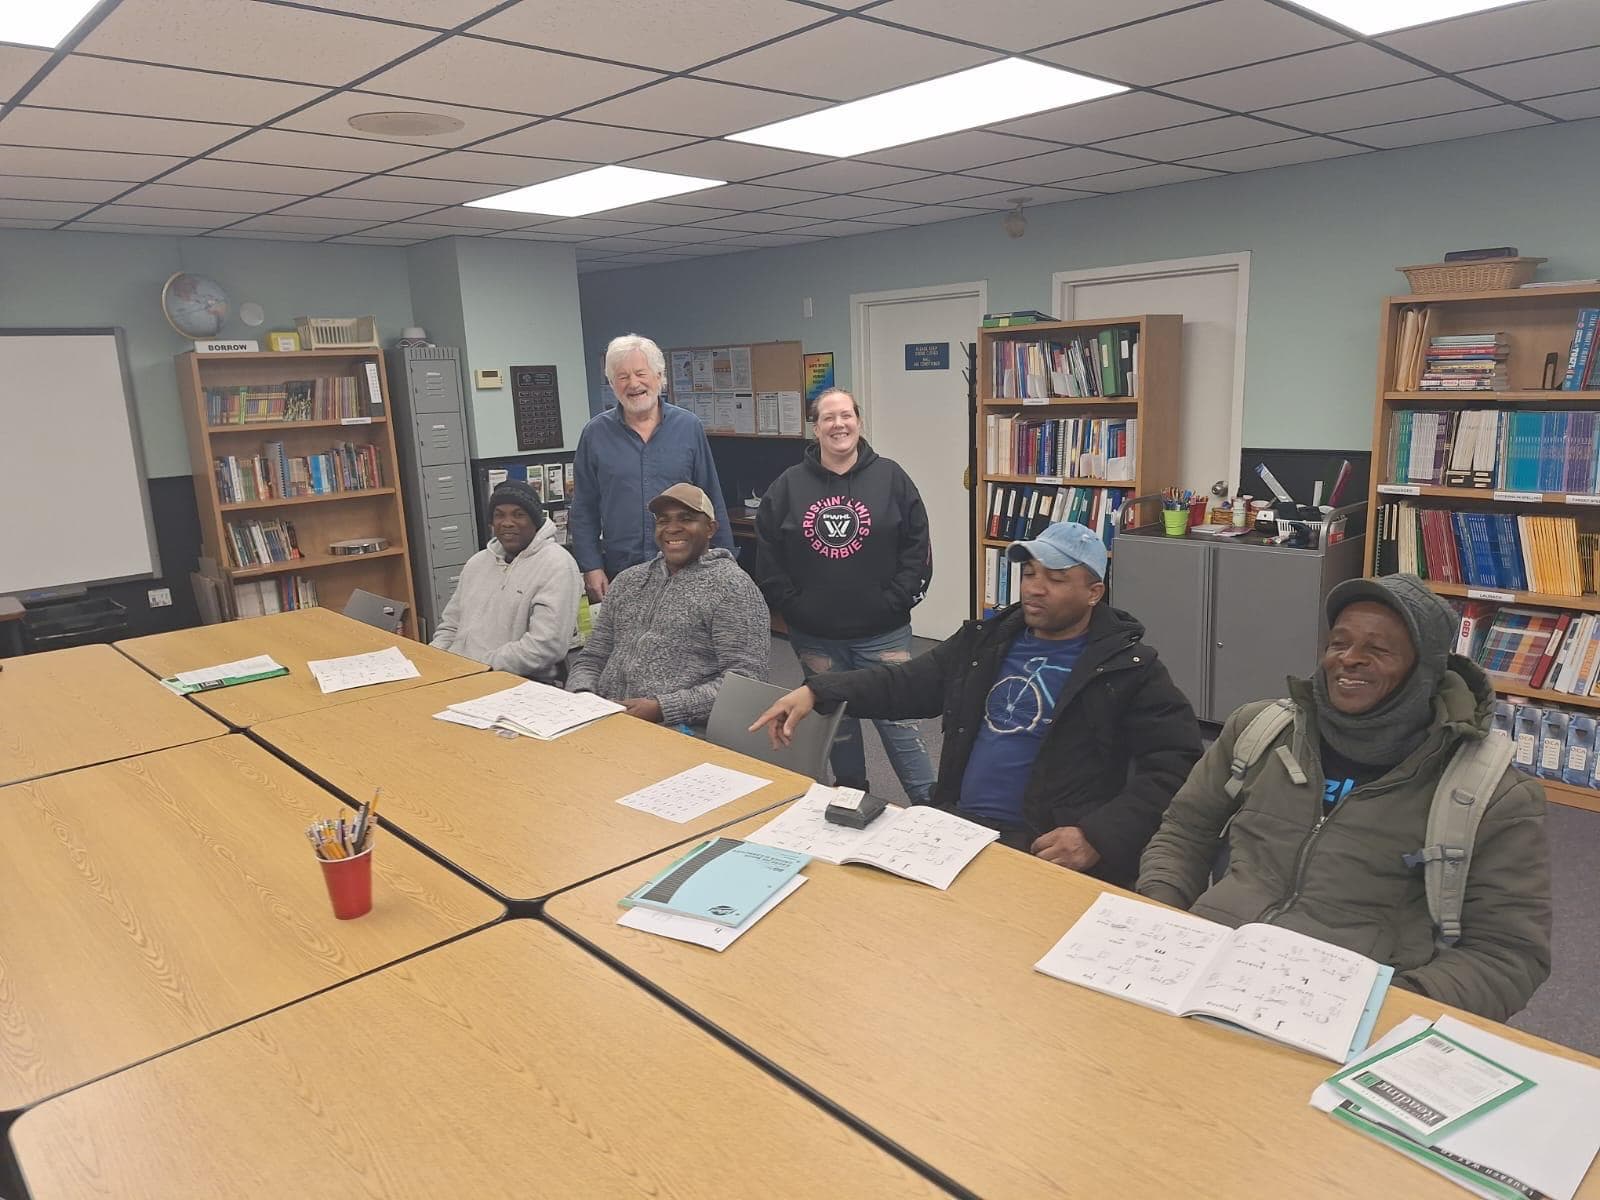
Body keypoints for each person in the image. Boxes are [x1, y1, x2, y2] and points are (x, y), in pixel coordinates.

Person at [1137, 574, 1552, 1022]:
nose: (1350, 660)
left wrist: (1395, 1009)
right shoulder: (1259, 731)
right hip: (1207, 973)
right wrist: (1166, 917)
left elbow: (1508, 954)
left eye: (1378, 649)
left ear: (1425, 668)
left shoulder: (1491, 793)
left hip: (1352, 1010)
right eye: (1339, 643)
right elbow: (1184, 830)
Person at [751, 521, 1202, 887]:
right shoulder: (987, 642)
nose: (1035, 589)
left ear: (1094, 593)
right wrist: (819, 689)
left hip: (1041, 846)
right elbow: (907, 683)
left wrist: (1099, 836)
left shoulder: (1130, 668)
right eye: (1029, 574)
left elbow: (1175, 765)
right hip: (958, 825)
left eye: (1056, 579)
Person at [755, 387, 936, 802]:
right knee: (838, 721)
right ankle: (852, 796)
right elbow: (768, 556)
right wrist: (794, 607)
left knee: (899, 723)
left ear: (858, 421)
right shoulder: (787, 487)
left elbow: (917, 547)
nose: (839, 424)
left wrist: (895, 600)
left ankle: (932, 806)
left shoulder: (891, 477)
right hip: (815, 635)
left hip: (883, 633)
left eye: (846, 415)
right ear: (815, 428)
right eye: (828, 418)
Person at [567, 483, 768, 727]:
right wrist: (581, 695)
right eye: (663, 520)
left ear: (711, 529)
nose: (672, 528)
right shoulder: (629, 581)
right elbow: (593, 656)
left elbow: (746, 683)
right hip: (602, 717)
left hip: (679, 731)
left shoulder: (733, 589)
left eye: (687, 519)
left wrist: (663, 708)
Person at [570, 333, 733, 603]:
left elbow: (711, 496)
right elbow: (583, 507)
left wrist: (725, 559)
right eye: (622, 376)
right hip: (621, 571)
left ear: (659, 377)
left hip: (686, 569)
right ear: (612, 384)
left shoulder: (688, 427)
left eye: (641, 373)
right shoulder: (594, 434)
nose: (633, 384)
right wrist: (591, 565)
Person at [429, 479, 581, 680]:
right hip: (461, 675)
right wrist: (434, 661)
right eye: (499, 515)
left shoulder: (557, 565)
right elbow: (450, 625)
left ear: (535, 521)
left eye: (519, 515)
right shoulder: (478, 563)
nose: (507, 522)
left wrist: (480, 667)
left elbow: (546, 646)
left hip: (517, 683)